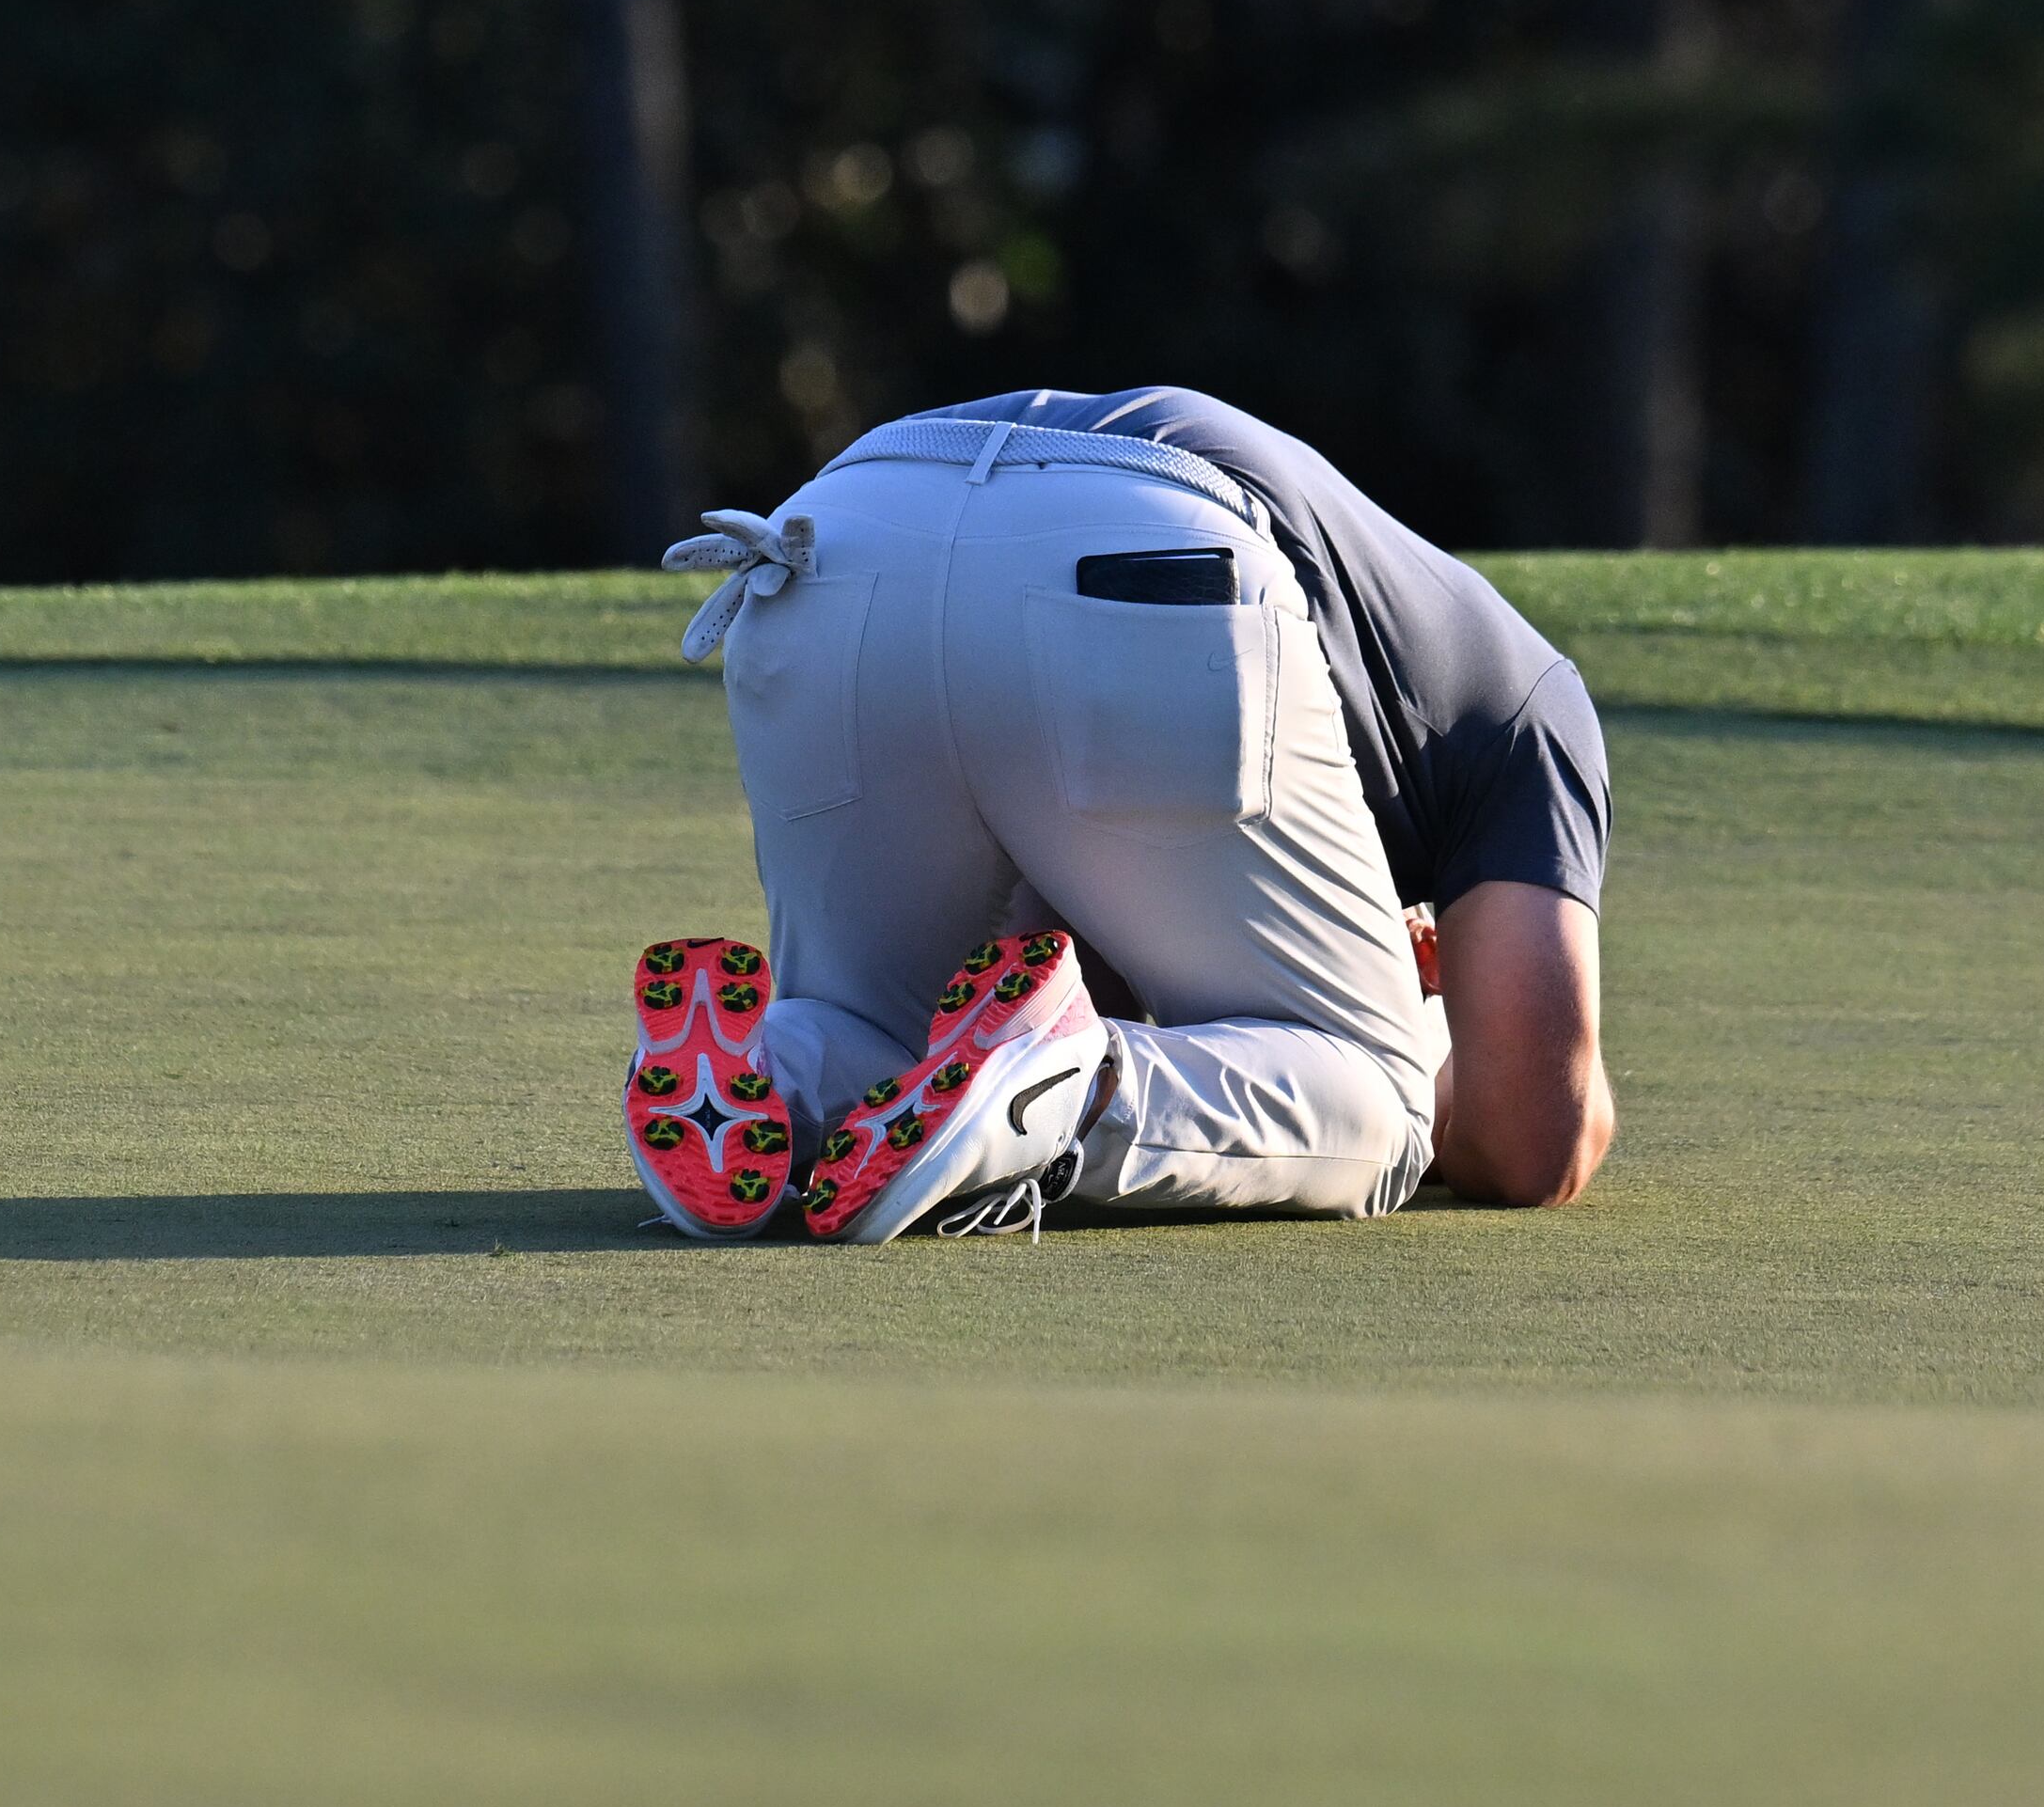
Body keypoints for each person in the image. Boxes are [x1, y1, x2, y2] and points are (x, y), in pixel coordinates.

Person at [623, 385, 1615, 1245]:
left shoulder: (1423, 659)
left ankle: (774, 1065)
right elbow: (1531, 1143)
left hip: (838, 537)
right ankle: (1075, 1086)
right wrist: (1434, 1040)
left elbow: (1053, 954)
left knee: (901, 1037)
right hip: (1150, 537)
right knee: (1383, 1097)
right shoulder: (1539, 711)